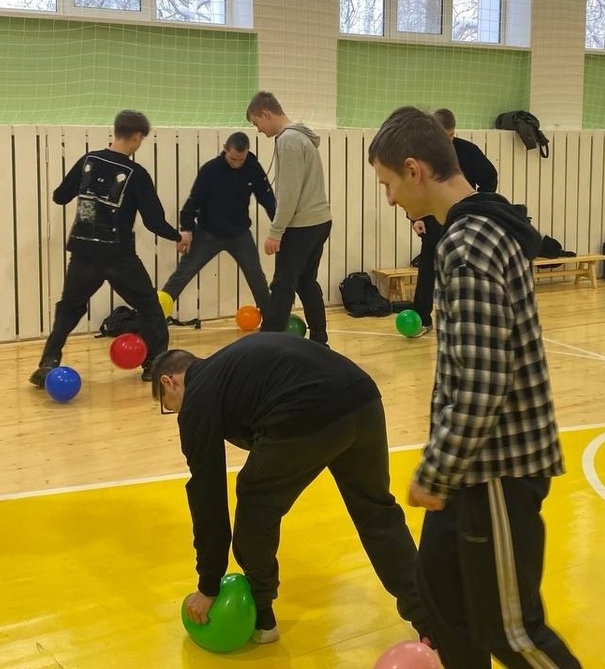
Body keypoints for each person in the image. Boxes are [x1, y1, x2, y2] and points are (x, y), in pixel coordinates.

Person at [368, 106, 579, 669]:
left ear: (414, 170)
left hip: (496, 470)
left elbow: (484, 385)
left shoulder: (468, 245)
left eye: (388, 184)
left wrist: (436, 470)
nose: (389, 199)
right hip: (470, 467)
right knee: (442, 601)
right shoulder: (476, 229)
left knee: (511, 632)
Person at [154, 334, 429, 646]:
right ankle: (431, 622)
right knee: (377, 512)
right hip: (363, 397)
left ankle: (262, 615)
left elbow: (208, 496)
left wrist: (209, 585)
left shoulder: (197, 397)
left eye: (168, 405)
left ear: (169, 382)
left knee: (254, 503)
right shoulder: (228, 370)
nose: (175, 412)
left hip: (307, 410)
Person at [32, 110, 184, 386]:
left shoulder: (88, 161)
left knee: (69, 307)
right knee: (149, 306)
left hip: (83, 252)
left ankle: (48, 361)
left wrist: (88, 196)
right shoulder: (137, 174)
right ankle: (154, 365)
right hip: (118, 256)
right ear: (136, 137)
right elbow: (153, 221)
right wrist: (178, 237)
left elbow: (59, 196)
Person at [245, 92, 333, 344]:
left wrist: (276, 231)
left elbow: (288, 193)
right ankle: (319, 340)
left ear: (266, 114)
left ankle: (267, 344)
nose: (259, 130)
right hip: (319, 222)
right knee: (306, 283)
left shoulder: (288, 140)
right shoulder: (301, 138)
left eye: (257, 123)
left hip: (302, 225)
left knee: (283, 285)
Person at [161, 132, 275, 315]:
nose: (237, 163)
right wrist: (186, 229)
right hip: (208, 233)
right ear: (225, 150)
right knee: (182, 274)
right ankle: (156, 315)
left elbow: (267, 199)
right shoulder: (211, 170)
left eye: (241, 160)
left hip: (240, 235)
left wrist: (279, 228)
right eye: (233, 159)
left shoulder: (253, 168)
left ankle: (272, 320)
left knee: (257, 278)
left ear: (247, 153)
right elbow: (194, 201)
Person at [409, 109, 499, 335]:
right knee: (427, 268)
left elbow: (489, 177)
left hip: (463, 220)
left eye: (449, 136)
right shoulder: (421, 155)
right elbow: (413, 189)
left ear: (454, 132)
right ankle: (422, 318)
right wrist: (416, 217)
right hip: (432, 220)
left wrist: (478, 205)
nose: (446, 142)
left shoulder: (468, 152)